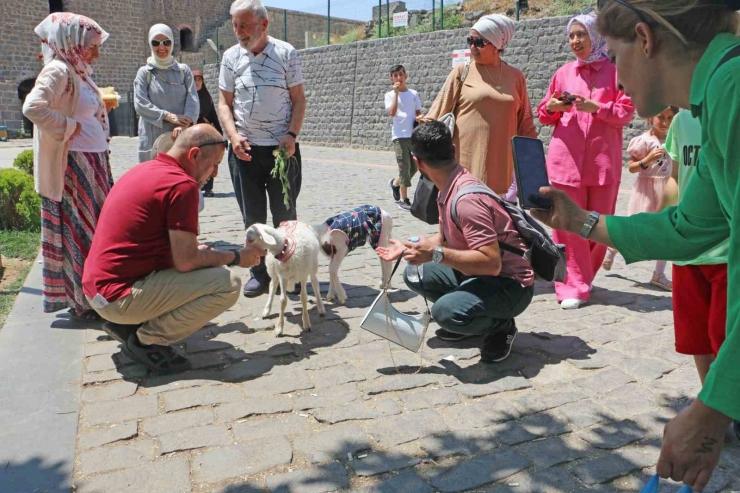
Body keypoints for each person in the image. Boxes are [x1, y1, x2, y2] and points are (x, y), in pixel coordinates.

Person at [531, 0, 739, 488]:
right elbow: (691, 227)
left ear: (645, 40)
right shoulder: (715, 93)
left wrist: (712, 409)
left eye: (616, 56)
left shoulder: (732, 88)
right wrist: (582, 222)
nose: (615, 78)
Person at [82, 125, 263, 373]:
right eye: (215, 164)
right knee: (227, 283)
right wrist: (236, 257)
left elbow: (160, 247)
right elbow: (187, 262)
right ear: (195, 155)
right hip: (115, 297)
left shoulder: (147, 169)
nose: (215, 174)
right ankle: (147, 340)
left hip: (98, 289)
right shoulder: (182, 185)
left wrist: (203, 254)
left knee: (207, 262)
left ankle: (131, 325)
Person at [377, 121, 534, 363]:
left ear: (417, 162)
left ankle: (501, 326)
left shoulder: (466, 200)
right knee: (415, 272)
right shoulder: (448, 184)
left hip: (510, 284)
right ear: (453, 149)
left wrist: (434, 254)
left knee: (445, 313)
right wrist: (409, 247)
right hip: (481, 273)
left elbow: (491, 263)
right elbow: (444, 237)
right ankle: (470, 314)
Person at [537, 12, 635, 309]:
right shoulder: (563, 73)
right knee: (566, 223)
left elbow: (627, 112)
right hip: (564, 160)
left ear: (596, 37)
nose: (576, 41)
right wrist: (552, 107)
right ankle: (571, 283)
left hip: (602, 162)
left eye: (581, 34)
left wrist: (598, 108)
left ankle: (584, 277)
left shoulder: (618, 71)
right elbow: (544, 114)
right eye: (571, 36)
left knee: (597, 223)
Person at [23, 12, 113, 321]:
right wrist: (69, 126)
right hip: (75, 164)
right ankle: (82, 302)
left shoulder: (77, 70)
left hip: (92, 161)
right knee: (80, 233)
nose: (96, 53)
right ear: (71, 43)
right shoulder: (58, 69)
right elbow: (33, 107)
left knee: (93, 233)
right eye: (91, 45)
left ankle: (92, 293)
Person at [218, 0, 306, 298]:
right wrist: (232, 136)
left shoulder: (286, 53)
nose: (238, 32)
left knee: (285, 216)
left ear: (264, 24)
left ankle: (290, 272)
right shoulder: (230, 58)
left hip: (282, 152)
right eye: (235, 26)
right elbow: (223, 103)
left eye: (244, 25)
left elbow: (299, 99)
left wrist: (292, 135)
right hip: (244, 153)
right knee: (252, 217)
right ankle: (259, 273)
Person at [662, 109, 731, 429]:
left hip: (728, 249)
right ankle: (711, 402)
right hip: (688, 251)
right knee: (698, 338)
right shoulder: (681, 120)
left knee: (726, 336)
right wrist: (668, 221)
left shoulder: (731, 106)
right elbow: (675, 176)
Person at [421, 14, 537, 195]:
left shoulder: (516, 77)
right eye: (470, 40)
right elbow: (436, 112)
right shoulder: (462, 71)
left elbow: (525, 124)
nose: (472, 47)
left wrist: (533, 168)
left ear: (497, 45)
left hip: (500, 171)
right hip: (462, 169)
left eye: (479, 42)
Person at [603, 106, 678, 292]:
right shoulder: (643, 141)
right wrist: (648, 159)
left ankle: (658, 275)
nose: (665, 122)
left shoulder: (675, 139)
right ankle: (613, 247)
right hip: (646, 190)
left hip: (667, 189)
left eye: (670, 118)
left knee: (666, 232)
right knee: (636, 227)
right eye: (661, 117)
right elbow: (631, 168)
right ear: (650, 118)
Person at [134, 24, 199, 163]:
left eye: (166, 42)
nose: (161, 47)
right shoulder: (145, 73)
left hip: (179, 137)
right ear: (150, 44)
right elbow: (140, 104)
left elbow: (193, 99)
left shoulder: (183, 71)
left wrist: (183, 125)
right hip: (152, 138)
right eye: (156, 43)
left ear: (172, 43)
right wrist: (168, 116)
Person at [386, 64, 422, 211]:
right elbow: (392, 112)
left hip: (413, 135)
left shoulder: (413, 94)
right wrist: (395, 94)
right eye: (395, 76)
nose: (398, 78)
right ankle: (404, 199)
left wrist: (421, 118)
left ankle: (395, 183)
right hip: (399, 136)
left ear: (406, 76)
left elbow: (418, 112)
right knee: (404, 167)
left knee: (415, 166)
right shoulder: (389, 95)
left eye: (401, 74)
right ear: (391, 79)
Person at [192, 69, 223, 198]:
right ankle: (195, 185)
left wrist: (219, 132)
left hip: (206, 133)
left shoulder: (207, 97)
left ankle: (208, 188)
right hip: (193, 134)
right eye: (194, 80)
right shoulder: (188, 96)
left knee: (209, 159)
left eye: (199, 79)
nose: (197, 82)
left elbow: (213, 115)